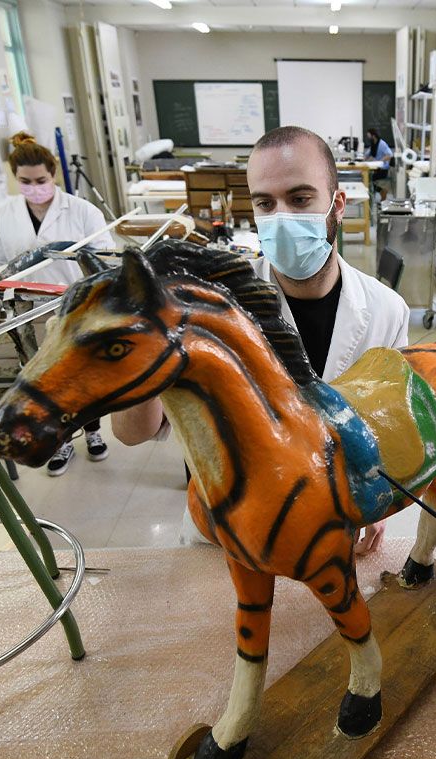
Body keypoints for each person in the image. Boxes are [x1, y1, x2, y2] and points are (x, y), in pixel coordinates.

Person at [113, 125, 410, 553]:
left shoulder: (387, 311)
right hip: (229, 532)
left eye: (301, 199)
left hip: (332, 521)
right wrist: (146, 331)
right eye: (265, 203)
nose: (282, 217)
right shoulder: (209, 304)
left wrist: (384, 502)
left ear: (337, 204)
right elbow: (132, 433)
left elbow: (391, 427)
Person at [0, 131, 115, 476]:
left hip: (75, 306)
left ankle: (94, 432)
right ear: (16, 179)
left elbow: (106, 257)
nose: (34, 186)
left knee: (81, 376)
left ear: (53, 174)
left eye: (41, 179)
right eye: (25, 181)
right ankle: (61, 441)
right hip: (27, 310)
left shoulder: (83, 211)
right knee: (43, 380)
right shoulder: (5, 215)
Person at [364, 127, 393, 201]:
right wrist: (362, 159)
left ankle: (380, 192)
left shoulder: (382, 144)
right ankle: (380, 192)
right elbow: (368, 154)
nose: (368, 138)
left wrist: (380, 161)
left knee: (369, 179)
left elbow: (390, 155)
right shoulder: (373, 144)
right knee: (368, 179)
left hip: (382, 169)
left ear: (373, 136)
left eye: (369, 136)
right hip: (376, 167)